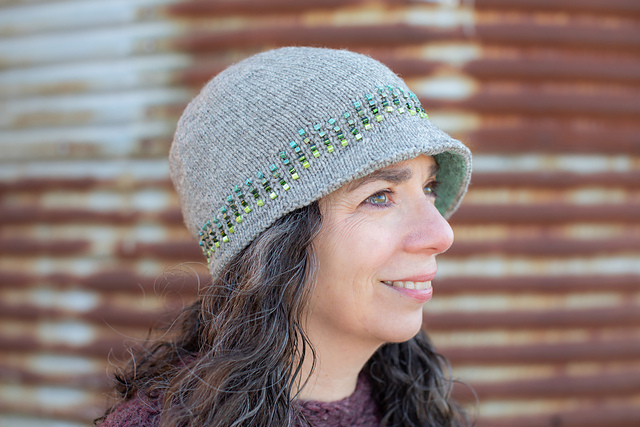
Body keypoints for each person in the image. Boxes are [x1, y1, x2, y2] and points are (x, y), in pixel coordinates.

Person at [97, 47, 472, 427]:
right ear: (273, 244)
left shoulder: (418, 411)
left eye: (429, 188)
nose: (442, 233)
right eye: (379, 196)